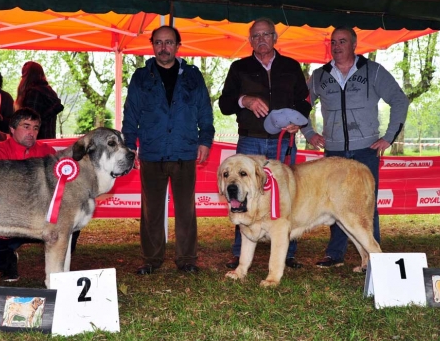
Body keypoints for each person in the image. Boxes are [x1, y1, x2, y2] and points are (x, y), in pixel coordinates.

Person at [301, 26, 410, 268]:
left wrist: (389, 137)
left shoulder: (374, 71)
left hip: (365, 150)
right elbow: (300, 104)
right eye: (333, 42)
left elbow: (400, 100)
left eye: (342, 41)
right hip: (335, 151)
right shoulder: (319, 75)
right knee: (333, 203)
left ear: (354, 44)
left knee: (366, 205)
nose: (337, 46)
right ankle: (334, 254)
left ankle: (374, 257)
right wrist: (308, 132)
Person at [218, 17, 311, 270]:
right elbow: (224, 104)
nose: (261, 40)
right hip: (250, 142)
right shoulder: (239, 67)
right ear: (250, 41)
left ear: (275, 38)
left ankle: (288, 252)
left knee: (286, 197)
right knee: (243, 195)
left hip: (282, 142)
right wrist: (244, 100)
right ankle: (240, 253)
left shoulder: (292, 67)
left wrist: (299, 121)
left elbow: (304, 102)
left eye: (266, 35)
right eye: (256, 36)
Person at [122, 25, 215, 275]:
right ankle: (151, 259)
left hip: (184, 151)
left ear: (177, 45)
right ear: (152, 46)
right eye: (159, 43)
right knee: (151, 209)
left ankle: (187, 259)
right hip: (152, 152)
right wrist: (130, 145)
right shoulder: (141, 77)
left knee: (186, 209)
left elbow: (205, 111)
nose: (164, 48)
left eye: (169, 42)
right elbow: (130, 114)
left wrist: (205, 140)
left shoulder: (193, 76)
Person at [0, 108, 80, 281]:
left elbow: (63, 189)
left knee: (71, 227)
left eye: (36, 128)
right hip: (9, 221)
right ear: (12, 129)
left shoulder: (48, 153)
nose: (32, 133)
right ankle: (9, 263)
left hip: (42, 221)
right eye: (26, 126)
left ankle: (59, 269)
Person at [15, 61, 64, 139]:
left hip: (35, 140)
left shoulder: (33, 93)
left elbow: (30, 120)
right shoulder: (48, 91)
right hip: (48, 138)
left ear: (26, 75)